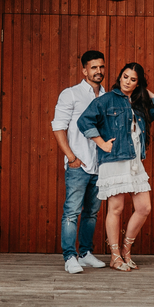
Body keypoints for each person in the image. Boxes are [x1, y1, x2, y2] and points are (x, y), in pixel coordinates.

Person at [77, 62, 154, 272]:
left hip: (135, 162)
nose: (127, 82)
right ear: (119, 77)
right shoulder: (106, 100)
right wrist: (101, 143)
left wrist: (142, 90)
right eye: (125, 77)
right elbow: (84, 122)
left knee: (144, 207)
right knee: (116, 208)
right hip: (115, 160)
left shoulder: (139, 103)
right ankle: (115, 256)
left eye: (133, 79)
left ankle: (127, 250)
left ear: (138, 83)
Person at [51, 50, 109, 274]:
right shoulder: (71, 94)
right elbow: (58, 127)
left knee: (92, 213)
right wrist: (72, 158)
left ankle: (85, 253)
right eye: (94, 67)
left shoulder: (107, 96)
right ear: (84, 70)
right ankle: (69, 256)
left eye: (101, 67)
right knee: (72, 211)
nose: (98, 71)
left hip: (101, 165)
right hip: (79, 165)